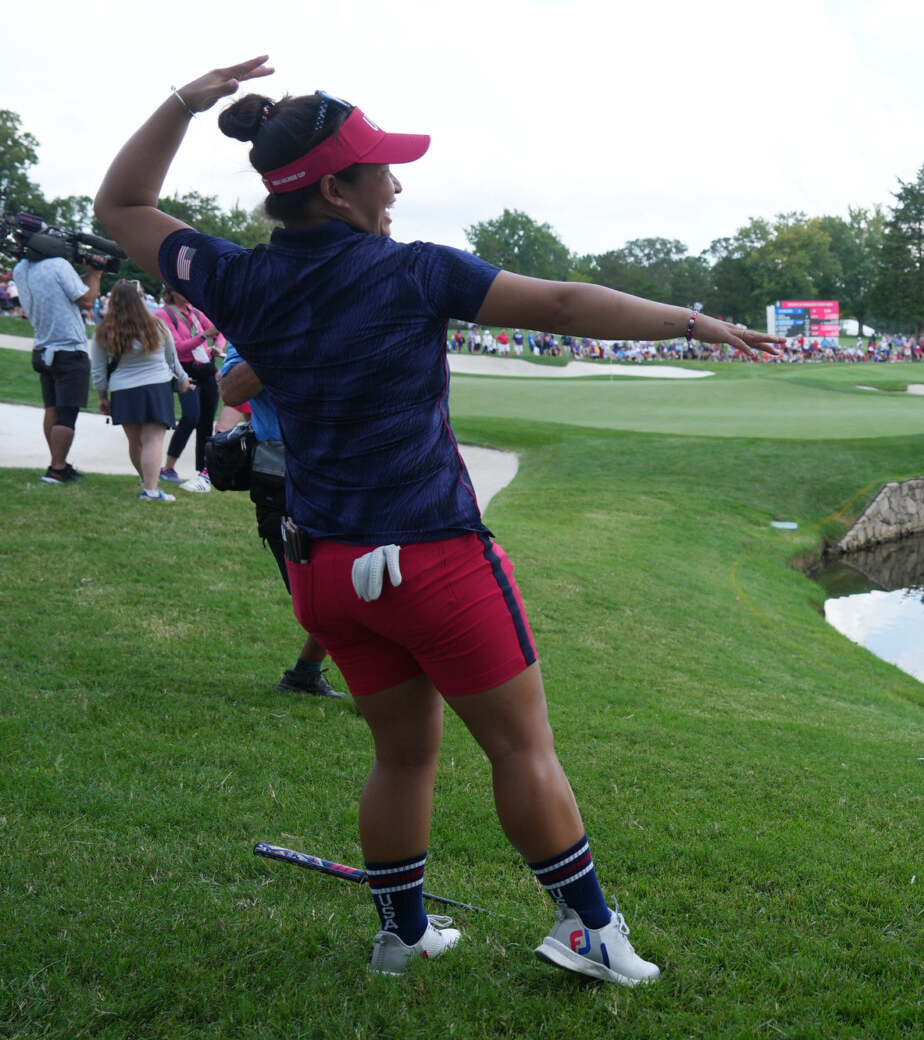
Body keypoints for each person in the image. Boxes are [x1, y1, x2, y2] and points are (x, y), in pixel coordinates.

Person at [96, 56, 784, 983]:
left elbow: (124, 204)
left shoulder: (235, 278)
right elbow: (569, 304)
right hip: (432, 559)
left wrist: (184, 103)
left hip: (326, 571)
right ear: (337, 189)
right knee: (520, 747)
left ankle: (403, 933)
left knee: (402, 758)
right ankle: (588, 931)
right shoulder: (413, 272)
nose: (398, 181)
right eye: (381, 168)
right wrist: (695, 324)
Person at [218, 346, 343, 698]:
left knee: (351, 585)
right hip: (282, 478)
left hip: (347, 471)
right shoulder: (254, 321)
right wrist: (285, 334)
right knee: (320, 594)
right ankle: (316, 676)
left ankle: (306, 674)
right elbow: (231, 391)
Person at [90, 279, 191, 501]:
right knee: (153, 441)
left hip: (123, 391)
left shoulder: (104, 331)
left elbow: (98, 369)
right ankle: (151, 490)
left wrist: (102, 397)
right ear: (141, 298)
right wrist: (183, 380)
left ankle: (147, 481)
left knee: (135, 442)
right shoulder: (156, 326)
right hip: (156, 387)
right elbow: (172, 360)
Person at [13, 244, 104, 483]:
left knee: (52, 409)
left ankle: (57, 463)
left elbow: (63, 288)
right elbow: (86, 300)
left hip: (42, 347)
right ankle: (57, 468)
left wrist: (86, 273)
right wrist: (95, 274)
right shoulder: (59, 265)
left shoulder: (21, 268)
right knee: (67, 412)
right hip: (69, 349)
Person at [155, 286, 223, 491]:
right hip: (185, 369)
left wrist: (218, 346)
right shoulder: (163, 314)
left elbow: (220, 329)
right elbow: (175, 348)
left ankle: (203, 472)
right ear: (172, 292)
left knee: (206, 421)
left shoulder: (195, 312)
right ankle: (168, 467)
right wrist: (204, 336)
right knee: (191, 416)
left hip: (205, 368)